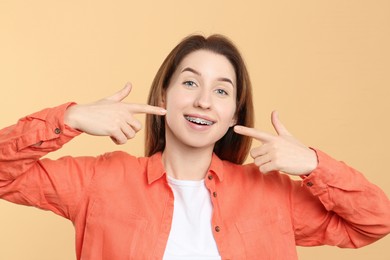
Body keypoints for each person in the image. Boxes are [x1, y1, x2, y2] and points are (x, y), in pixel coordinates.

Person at [0, 34, 389, 260]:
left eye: (221, 90)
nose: (204, 100)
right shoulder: (99, 181)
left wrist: (313, 164)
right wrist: (68, 119)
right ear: (165, 94)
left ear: (232, 110)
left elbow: (376, 221)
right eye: (189, 83)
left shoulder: (272, 195)